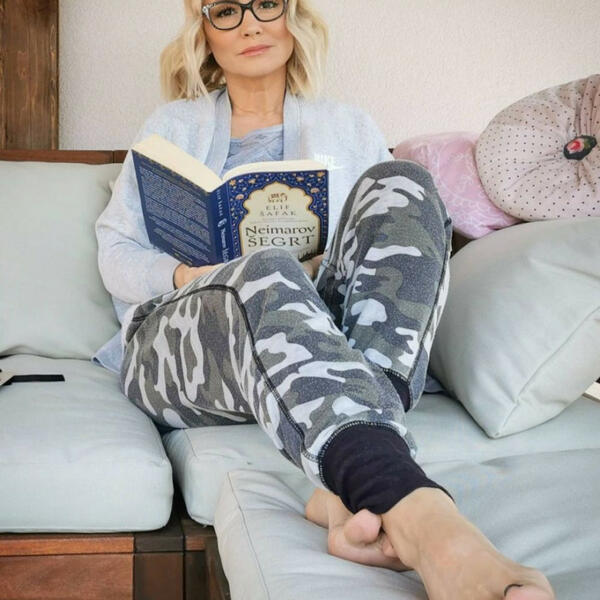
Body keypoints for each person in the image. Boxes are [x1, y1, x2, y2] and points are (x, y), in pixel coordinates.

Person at [93, 1, 555, 598]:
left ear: (292, 16)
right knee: (265, 269)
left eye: (266, 4)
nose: (250, 23)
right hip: (183, 350)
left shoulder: (348, 124)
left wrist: (312, 267)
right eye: (225, 10)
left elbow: (377, 257)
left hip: (313, 340)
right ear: (203, 32)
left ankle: (342, 485)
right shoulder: (171, 126)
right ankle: (426, 523)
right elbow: (116, 252)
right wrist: (188, 272)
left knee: (404, 184)